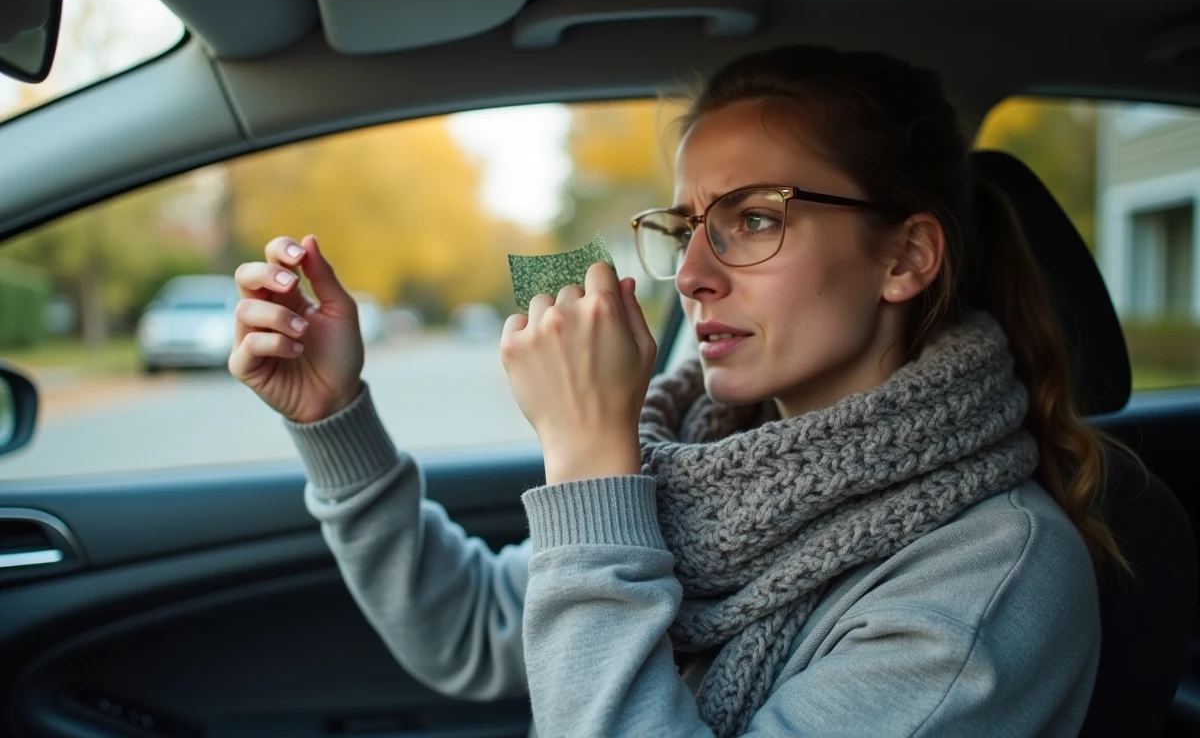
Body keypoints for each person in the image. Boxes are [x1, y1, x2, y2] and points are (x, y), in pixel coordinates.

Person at [230, 45, 1122, 737]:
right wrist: (335, 418)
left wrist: (588, 468)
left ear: (905, 257)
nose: (690, 274)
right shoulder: (701, 466)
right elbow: (468, 632)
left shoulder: (991, 586)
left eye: (754, 219)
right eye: (686, 227)